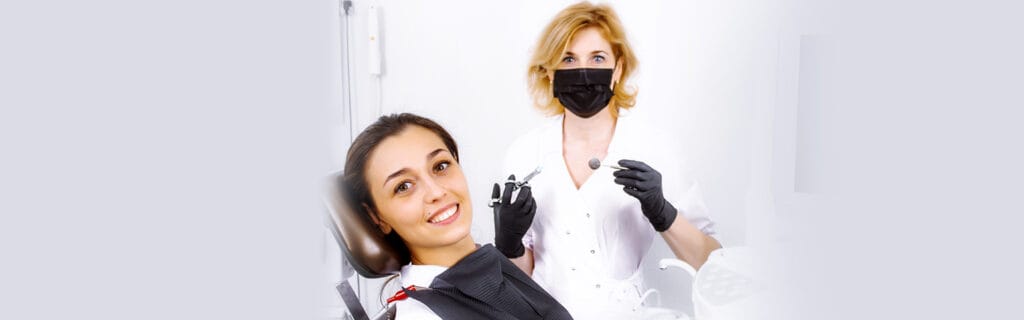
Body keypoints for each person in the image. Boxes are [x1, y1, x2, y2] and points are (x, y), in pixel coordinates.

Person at [492, 2, 722, 318]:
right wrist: (509, 243)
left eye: (597, 58)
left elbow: (712, 264)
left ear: (618, 70)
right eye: (568, 59)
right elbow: (521, 281)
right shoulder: (525, 153)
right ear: (550, 72)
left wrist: (663, 213)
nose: (583, 72)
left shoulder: (653, 147)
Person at [343, 113, 572, 320]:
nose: (436, 192)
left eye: (440, 166)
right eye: (403, 186)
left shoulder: (488, 265)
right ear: (376, 217)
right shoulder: (424, 315)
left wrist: (510, 245)